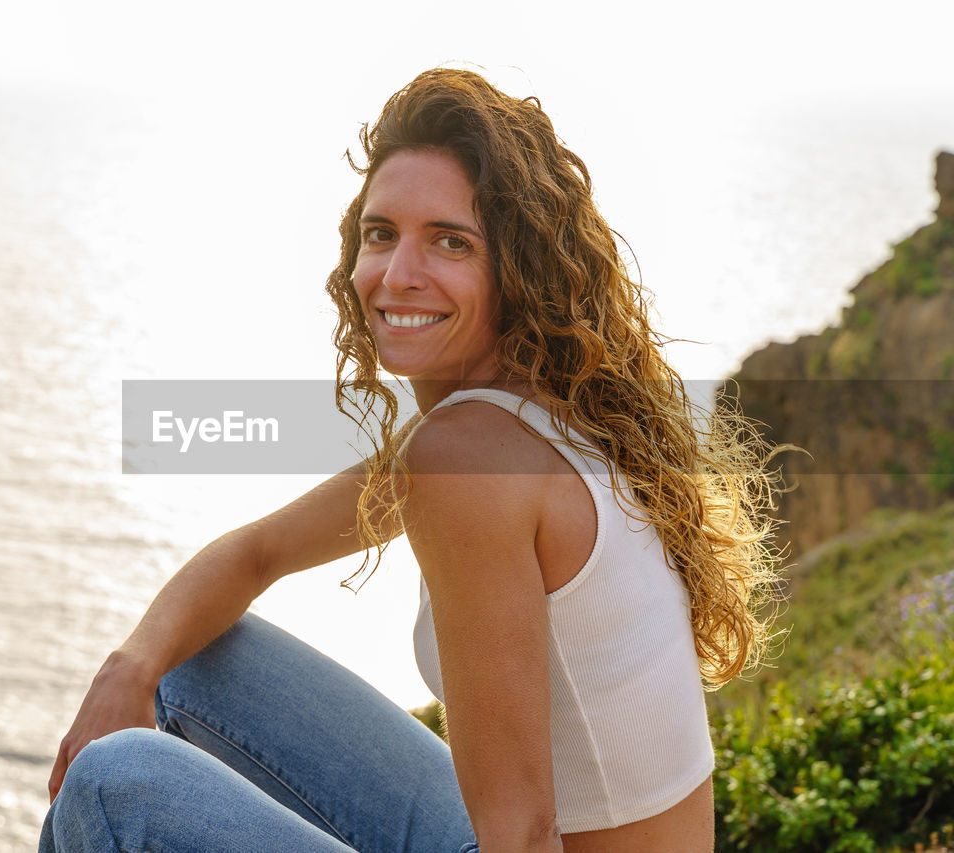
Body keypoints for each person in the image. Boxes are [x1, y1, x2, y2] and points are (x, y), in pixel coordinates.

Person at [40, 68, 779, 853]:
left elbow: (522, 832)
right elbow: (255, 553)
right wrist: (131, 664)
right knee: (190, 659)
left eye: (450, 241)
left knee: (112, 787)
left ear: (515, 268)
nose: (397, 276)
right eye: (381, 233)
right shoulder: (534, 407)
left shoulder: (465, 462)